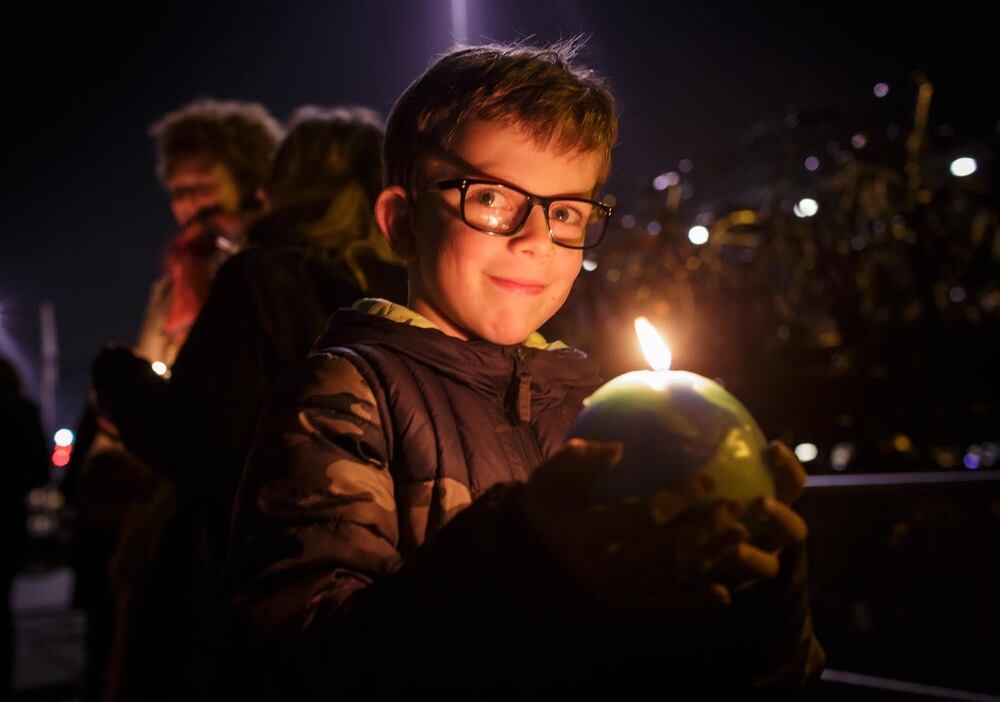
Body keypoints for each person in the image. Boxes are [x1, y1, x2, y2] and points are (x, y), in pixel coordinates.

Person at [227, 41, 825, 699]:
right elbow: (296, 663)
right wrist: (527, 555)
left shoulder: (600, 410)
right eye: (489, 198)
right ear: (401, 223)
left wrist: (760, 594)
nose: (534, 237)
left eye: (565, 211)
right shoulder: (347, 397)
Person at [91, 105, 406, 700]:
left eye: (203, 188)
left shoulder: (261, 277)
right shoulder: (409, 289)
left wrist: (120, 380)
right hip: (373, 569)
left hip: (250, 563)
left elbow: (197, 437)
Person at [67, 98, 283, 702]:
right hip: (157, 519)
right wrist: (110, 456)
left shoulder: (272, 277)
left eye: (201, 188)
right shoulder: (174, 281)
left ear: (249, 180)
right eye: (178, 190)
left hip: (228, 528)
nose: (186, 206)